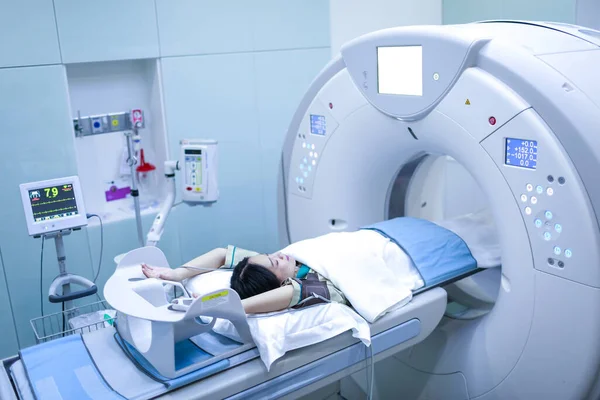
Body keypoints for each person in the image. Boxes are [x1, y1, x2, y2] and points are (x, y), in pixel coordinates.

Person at [141, 245, 347, 314]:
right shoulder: (318, 287)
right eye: (275, 263)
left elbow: (222, 254)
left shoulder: (274, 264)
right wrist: (227, 305)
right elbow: (291, 293)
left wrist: (177, 274)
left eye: (270, 256)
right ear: (282, 284)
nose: (279, 256)